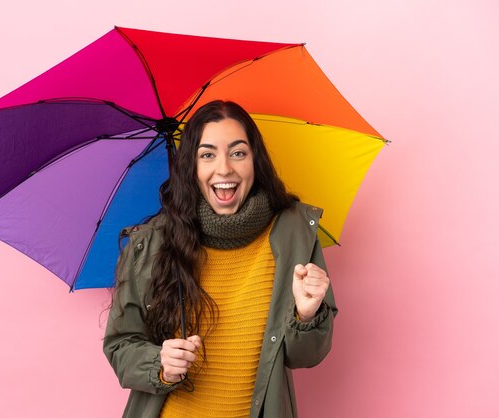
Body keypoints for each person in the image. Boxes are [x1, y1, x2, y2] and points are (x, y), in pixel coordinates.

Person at [104, 100, 337, 418]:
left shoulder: (294, 233)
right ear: (192, 166)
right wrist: (158, 363)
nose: (224, 168)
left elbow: (304, 357)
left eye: (238, 152)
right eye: (207, 154)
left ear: (256, 160)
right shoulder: (153, 242)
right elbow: (120, 345)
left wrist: (307, 315)